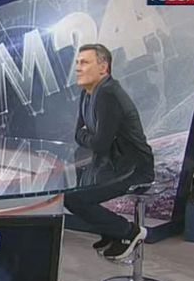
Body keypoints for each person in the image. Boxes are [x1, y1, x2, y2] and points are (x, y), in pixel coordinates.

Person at [64, 44, 154, 260]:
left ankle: (128, 231)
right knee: (75, 191)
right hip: (110, 165)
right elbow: (78, 134)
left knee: (74, 199)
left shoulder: (108, 94)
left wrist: (88, 137)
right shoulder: (87, 94)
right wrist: (88, 137)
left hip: (134, 169)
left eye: (84, 62)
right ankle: (112, 232)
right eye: (77, 63)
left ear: (103, 68)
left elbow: (99, 144)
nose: (78, 68)